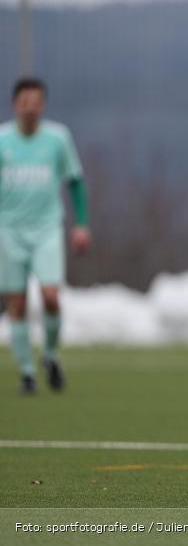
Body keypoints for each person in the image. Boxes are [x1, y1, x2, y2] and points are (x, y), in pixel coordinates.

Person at [0, 78, 91, 394]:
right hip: (9, 229)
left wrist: (81, 223)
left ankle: (50, 354)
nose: (30, 107)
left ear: (43, 105)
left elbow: (75, 181)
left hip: (47, 228)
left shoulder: (57, 139)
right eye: (25, 101)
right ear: (15, 105)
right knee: (17, 301)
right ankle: (27, 371)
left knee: (51, 295)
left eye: (36, 101)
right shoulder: (2, 141)